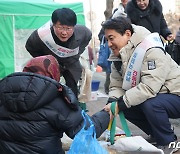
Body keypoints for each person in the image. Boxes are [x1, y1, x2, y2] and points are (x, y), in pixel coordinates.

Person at [0, 55, 110, 154]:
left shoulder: (3, 96)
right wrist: (107, 113)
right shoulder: (56, 101)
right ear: (54, 73)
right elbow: (86, 131)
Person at [102, 17, 180, 153]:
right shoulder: (118, 56)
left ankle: (169, 142)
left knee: (149, 104)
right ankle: (157, 134)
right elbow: (116, 86)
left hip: (175, 94)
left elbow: (149, 87)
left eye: (111, 38)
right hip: (158, 95)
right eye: (107, 40)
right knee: (124, 106)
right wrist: (113, 103)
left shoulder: (151, 49)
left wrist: (120, 103)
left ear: (127, 34)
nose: (109, 44)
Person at [25, 8, 92, 98]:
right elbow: (30, 47)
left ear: (74, 26)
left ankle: (73, 106)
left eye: (68, 28)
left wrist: (76, 55)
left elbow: (85, 42)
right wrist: (45, 60)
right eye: (60, 28)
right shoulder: (41, 35)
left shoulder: (84, 32)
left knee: (73, 87)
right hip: (51, 63)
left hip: (71, 62)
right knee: (48, 87)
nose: (64, 33)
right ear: (53, 25)